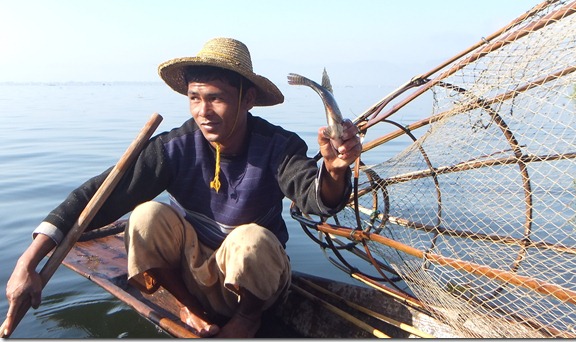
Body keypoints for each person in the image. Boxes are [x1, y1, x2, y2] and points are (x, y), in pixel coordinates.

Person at [3, 37, 362, 338]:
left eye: (216, 98)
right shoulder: (174, 147)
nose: (203, 111)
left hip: (256, 280)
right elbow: (98, 196)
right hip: (194, 275)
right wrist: (27, 262)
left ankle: (246, 318)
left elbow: (317, 200)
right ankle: (192, 310)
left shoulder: (278, 145)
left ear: (247, 99)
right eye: (194, 97)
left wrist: (333, 169)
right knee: (144, 216)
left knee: (250, 239)